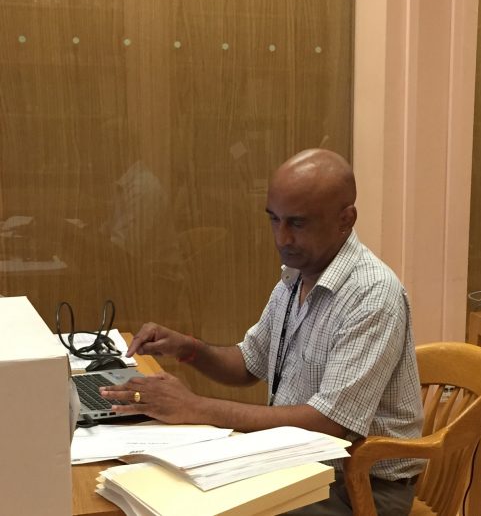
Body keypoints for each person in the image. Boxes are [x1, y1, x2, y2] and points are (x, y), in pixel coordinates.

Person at [101, 149, 424, 516]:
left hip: (359, 487)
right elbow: (248, 363)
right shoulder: (295, 276)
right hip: (295, 465)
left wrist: (196, 407)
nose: (282, 238)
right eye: (274, 220)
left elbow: (328, 424)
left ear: (345, 220)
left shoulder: (373, 294)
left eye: (297, 224)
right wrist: (190, 349)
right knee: (154, 489)